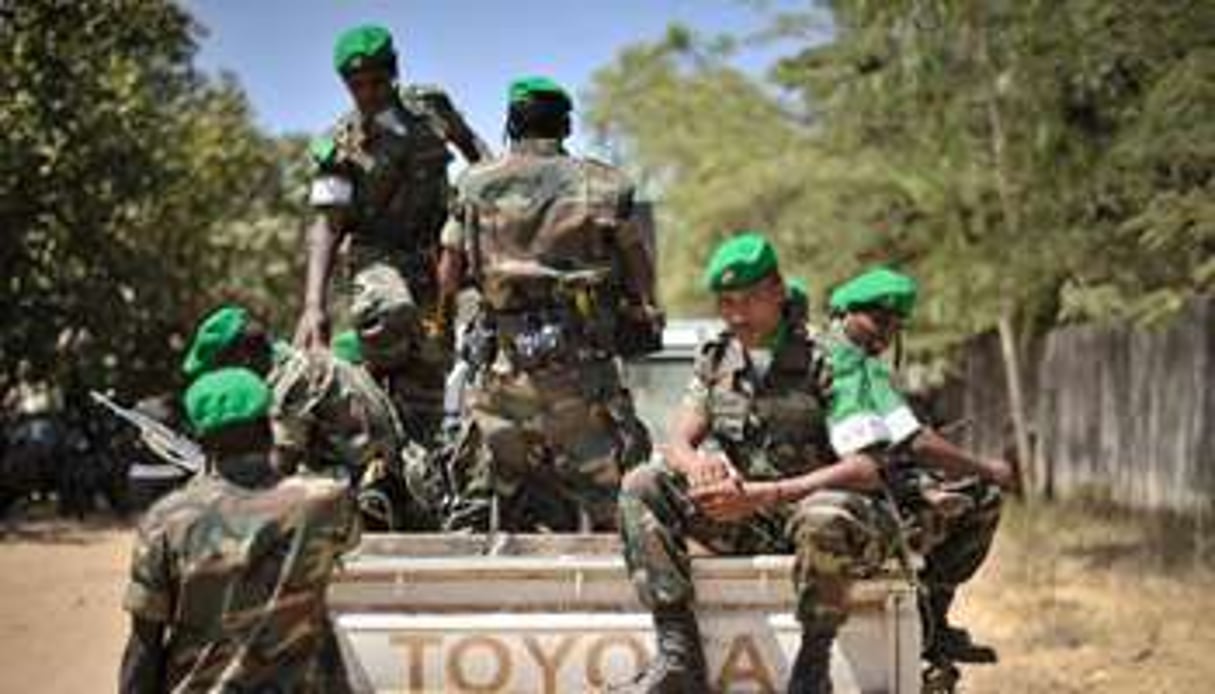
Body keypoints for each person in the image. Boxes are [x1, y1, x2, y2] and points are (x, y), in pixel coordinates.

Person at [616, 234, 1010, 693]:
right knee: (642, 483)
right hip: (753, 516)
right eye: (726, 302)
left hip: (835, 523)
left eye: (748, 300)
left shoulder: (831, 359)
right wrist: (697, 468)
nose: (737, 315)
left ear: (778, 291)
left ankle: (813, 663)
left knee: (824, 513)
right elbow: (679, 439)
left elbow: (866, 468)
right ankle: (678, 654)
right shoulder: (718, 357)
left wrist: (769, 494)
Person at [435, 76, 662, 531]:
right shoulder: (604, 184)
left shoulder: (474, 185)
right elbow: (637, 260)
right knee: (614, 511)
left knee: (491, 509)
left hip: (503, 381)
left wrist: (439, 327)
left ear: (512, 123)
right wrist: (643, 310)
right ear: (564, 125)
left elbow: (450, 266)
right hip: (582, 378)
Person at [295, 23, 490, 445]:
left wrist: (493, 184)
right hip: (375, 260)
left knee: (430, 375)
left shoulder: (431, 107)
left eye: (377, 81)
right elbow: (327, 226)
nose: (368, 93)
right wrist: (314, 305)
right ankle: (368, 378)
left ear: (395, 70)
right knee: (389, 308)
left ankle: (415, 467)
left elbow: (472, 145)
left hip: (435, 262)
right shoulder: (339, 146)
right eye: (357, 85)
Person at [825, 267, 1012, 690]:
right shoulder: (853, 362)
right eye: (878, 319)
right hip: (850, 498)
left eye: (894, 324)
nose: (886, 333)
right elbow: (915, 442)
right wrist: (989, 470)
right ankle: (933, 619)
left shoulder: (811, 351)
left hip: (829, 489)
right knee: (981, 496)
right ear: (847, 315)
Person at [119, 367, 359, 692]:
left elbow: (145, 645)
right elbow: (349, 540)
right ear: (267, 429)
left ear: (201, 440)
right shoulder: (325, 502)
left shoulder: (166, 520)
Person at [182, 305, 418, 529]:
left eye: (222, 371)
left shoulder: (290, 381)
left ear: (242, 357)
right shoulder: (296, 361)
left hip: (377, 489)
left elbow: (279, 465)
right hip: (386, 475)